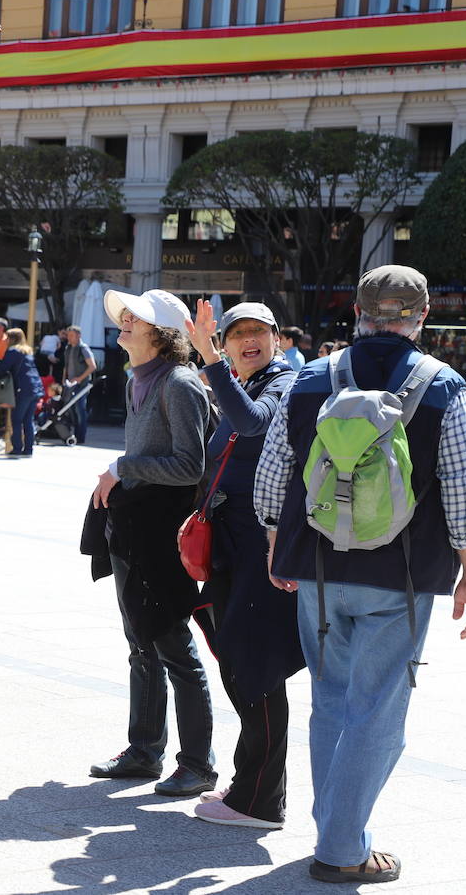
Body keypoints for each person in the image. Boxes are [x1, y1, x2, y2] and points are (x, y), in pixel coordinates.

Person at [257, 265, 466, 884]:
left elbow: (272, 475)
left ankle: (335, 824)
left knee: (330, 702)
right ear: (422, 315)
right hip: (403, 578)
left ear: (358, 314)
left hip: (319, 570)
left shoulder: (310, 379)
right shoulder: (442, 386)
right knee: (378, 709)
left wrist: (279, 545)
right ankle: (341, 848)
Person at [85, 288, 215, 798]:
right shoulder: (138, 379)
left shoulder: (179, 384)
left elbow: (190, 466)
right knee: (140, 642)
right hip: (133, 528)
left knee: (173, 646)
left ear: (161, 334)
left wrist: (124, 467)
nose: (122, 322)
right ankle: (144, 750)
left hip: (164, 535)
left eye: (133, 318)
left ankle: (198, 762)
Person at [183, 301, 301, 830]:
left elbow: (253, 428)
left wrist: (209, 360)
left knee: (256, 668)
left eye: (259, 332)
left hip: (263, 552)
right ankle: (251, 783)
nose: (248, 340)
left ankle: (260, 801)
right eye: (237, 334)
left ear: (276, 338)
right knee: (237, 664)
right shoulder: (245, 382)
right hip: (233, 549)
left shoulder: (283, 384)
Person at [0, 328, 43, 456]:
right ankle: (28, 449)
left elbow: (2, 368)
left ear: (11, 339)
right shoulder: (28, 351)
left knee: (16, 419)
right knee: (28, 420)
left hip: (23, 388)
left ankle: (16, 448)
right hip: (35, 387)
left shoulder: (13, 351)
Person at [63, 325, 98, 445]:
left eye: (72, 335)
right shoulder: (68, 348)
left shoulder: (83, 348)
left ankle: (80, 437)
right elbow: (66, 367)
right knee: (71, 409)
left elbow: (92, 366)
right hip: (70, 384)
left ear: (79, 336)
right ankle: (73, 435)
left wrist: (80, 378)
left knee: (80, 410)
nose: (69, 337)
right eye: (68, 335)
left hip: (81, 385)